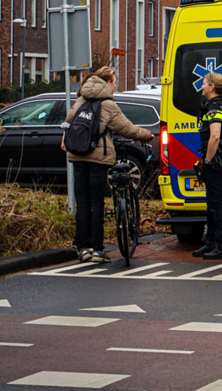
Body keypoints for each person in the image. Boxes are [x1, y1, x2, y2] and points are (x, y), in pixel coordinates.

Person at [62, 67, 154, 263]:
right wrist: (148, 135)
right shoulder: (108, 105)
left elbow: (68, 124)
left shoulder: (81, 100)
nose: (115, 85)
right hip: (98, 158)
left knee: (82, 203)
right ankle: (97, 249)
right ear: (107, 83)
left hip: (77, 156)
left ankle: (82, 248)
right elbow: (127, 129)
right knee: (97, 203)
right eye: (114, 81)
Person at [193, 71, 222, 260]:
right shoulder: (215, 105)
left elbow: (215, 136)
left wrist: (207, 161)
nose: (201, 86)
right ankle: (211, 242)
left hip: (218, 160)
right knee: (212, 203)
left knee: (217, 204)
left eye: (203, 83)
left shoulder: (214, 107)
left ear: (211, 87)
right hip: (221, 159)